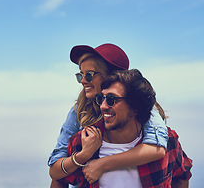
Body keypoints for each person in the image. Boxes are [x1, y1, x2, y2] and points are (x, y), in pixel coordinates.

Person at [48, 44, 168, 187]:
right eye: (81, 74)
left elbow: (157, 149)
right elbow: (56, 173)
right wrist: (84, 155)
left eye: (89, 75)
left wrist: (102, 164)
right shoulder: (79, 112)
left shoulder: (142, 107)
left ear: (112, 76)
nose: (83, 81)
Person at [60, 69, 192, 188]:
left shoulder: (168, 141)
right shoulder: (82, 142)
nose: (103, 106)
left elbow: (182, 176)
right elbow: (59, 179)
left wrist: (103, 164)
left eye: (111, 99)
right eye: (101, 98)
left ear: (136, 106)